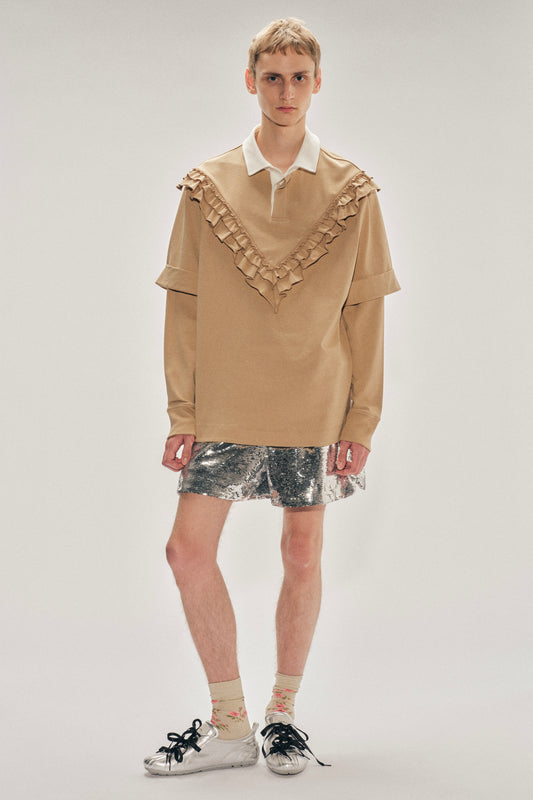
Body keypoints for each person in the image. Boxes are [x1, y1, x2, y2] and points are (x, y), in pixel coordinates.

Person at [144, 17, 400, 778]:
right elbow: (183, 304)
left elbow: (365, 312)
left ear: (317, 83)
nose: (286, 91)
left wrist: (362, 418)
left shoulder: (352, 191)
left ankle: (281, 716)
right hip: (223, 398)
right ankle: (230, 723)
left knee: (301, 551)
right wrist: (182, 411)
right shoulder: (207, 186)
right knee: (187, 551)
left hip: (315, 398)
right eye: (272, 76)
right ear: (250, 82)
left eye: (298, 77)